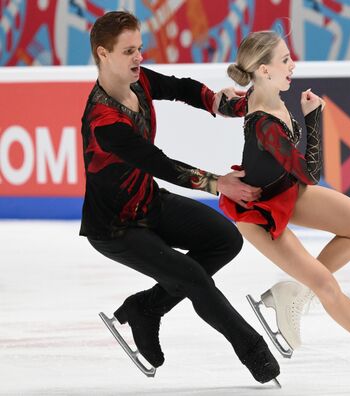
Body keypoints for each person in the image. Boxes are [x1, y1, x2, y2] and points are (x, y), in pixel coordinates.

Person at [80, 11, 280, 385]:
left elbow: (182, 87)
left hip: (149, 202)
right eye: (128, 51)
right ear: (103, 54)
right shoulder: (102, 120)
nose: (138, 57)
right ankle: (253, 351)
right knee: (192, 278)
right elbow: (157, 162)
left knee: (225, 240)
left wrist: (218, 102)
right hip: (115, 228)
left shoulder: (139, 81)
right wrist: (218, 183)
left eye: (140, 48)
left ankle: (146, 308)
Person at [217, 31, 350, 390]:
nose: (292, 64)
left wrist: (220, 100)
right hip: (258, 212)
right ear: (263, 69)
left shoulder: (259, 94)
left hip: (285, 191)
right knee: (325, 282)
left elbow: (228, 104)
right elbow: (311, 173)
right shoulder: (265, 125)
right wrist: (314, 117)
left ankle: (294, 293)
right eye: (284, 59)